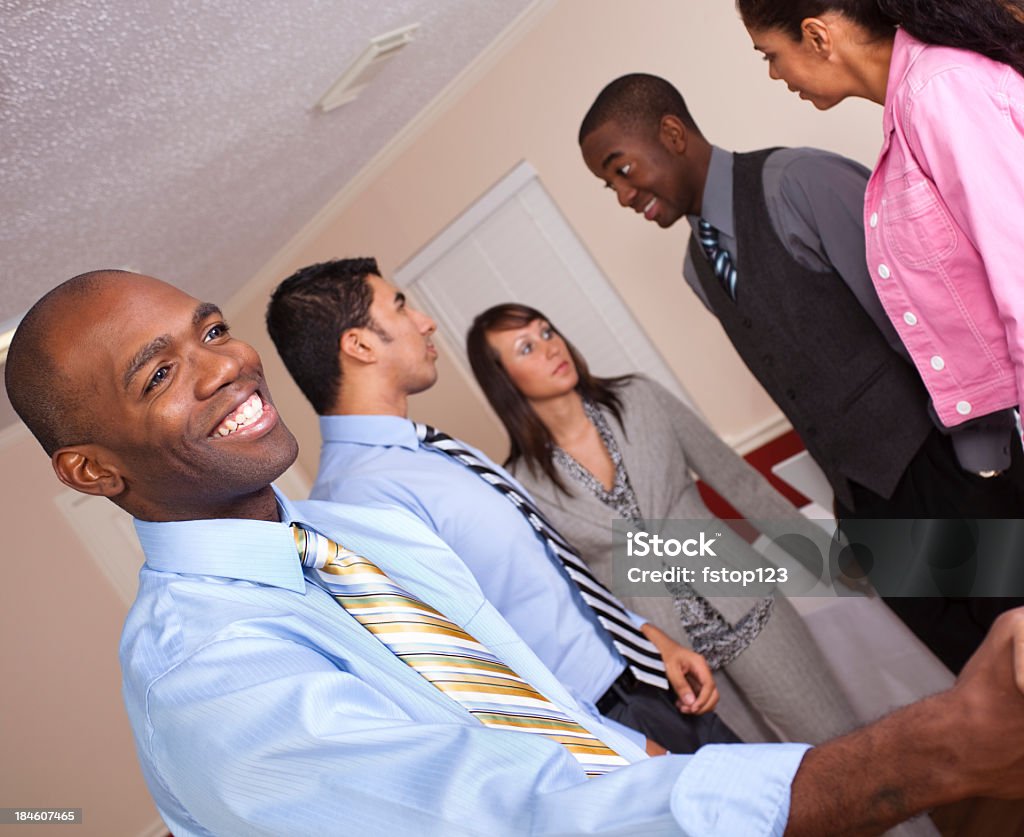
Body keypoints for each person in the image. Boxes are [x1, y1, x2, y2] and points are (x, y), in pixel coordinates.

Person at [8, 269, 1024, 836]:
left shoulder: (358, 537)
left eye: (212, 327)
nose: (227, 362)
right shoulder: (207, 682)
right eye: (160, 372)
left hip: (672, 671)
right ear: (93, 471)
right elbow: (502, 810)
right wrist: (933, 749)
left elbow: (517, 694)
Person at [577, 72, 1024, 673]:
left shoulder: (801, 183)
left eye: (621, 170)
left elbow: (927, 320)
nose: (623, 196)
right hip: (871, 513)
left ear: (672, 133)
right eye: (608, 186)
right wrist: (854, 515)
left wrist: (983, 467)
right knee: (982, 682)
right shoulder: (697, 270)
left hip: (950, 468)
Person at [266, 257, 739, 755]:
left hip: (642, 678)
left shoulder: (431, 450)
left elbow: (545, 570)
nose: (425, 322)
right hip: (603, 728)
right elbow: (461, 672)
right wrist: (617, 748)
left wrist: (647, 637)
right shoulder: (357, 501)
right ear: (360, 345)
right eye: (401, 307)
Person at [466, 302, 955, 748]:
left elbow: (738, 482)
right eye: (526, 347)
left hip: (748, 606)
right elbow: (578, 590)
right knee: (785, 793)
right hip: (674, 662)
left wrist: (831, 560)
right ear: (502, 380)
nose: (551, 346)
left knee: (847, 748)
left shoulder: (640, 398)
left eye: (548, 331)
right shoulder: (522, 484)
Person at [737, 0, 1024, 420]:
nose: (773, 74)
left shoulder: (940, 92)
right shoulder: (915, 102)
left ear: (817, 36)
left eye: (771, 55)